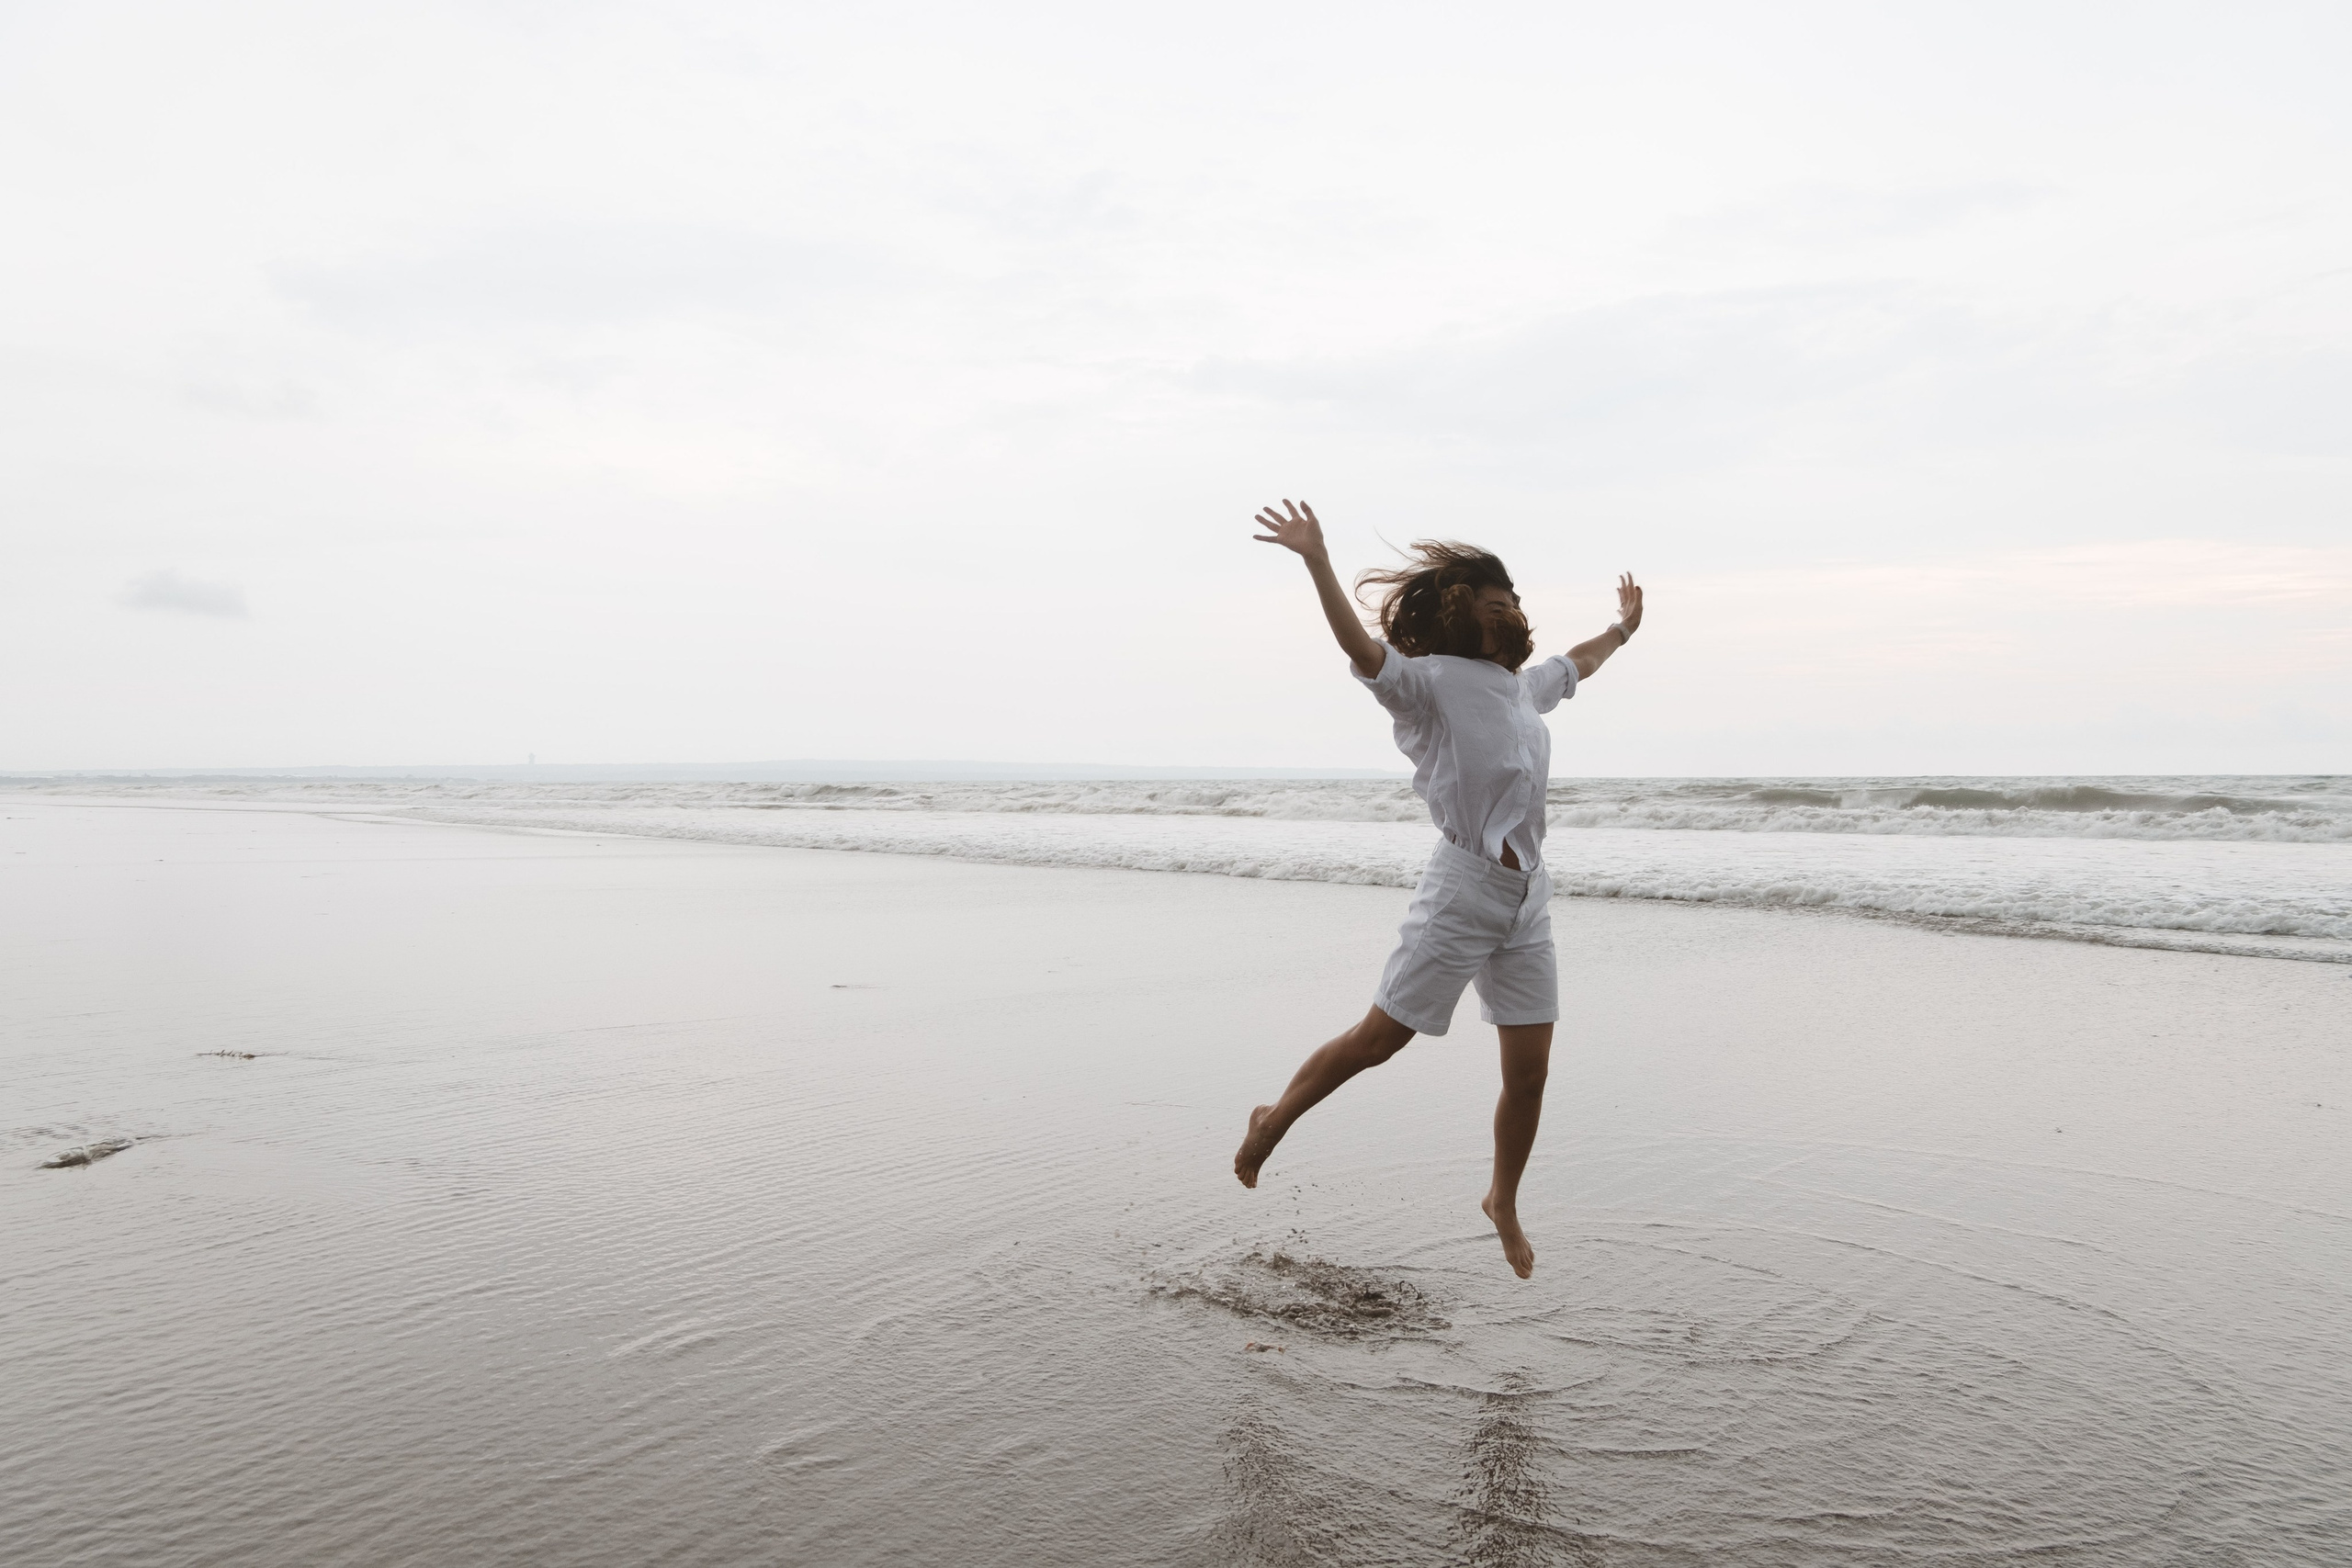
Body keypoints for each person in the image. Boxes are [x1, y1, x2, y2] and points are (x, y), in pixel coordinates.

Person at [1233, 499, 1643, 1279]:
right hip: (1461, 890)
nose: (1513, 614)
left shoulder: (1522, 688)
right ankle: (1273, 1119)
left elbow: (1579, 661)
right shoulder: (1428, 684)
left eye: (1516, 602)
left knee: (1529, 1073)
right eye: (1497, 604)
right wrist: (1317, 559)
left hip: (1529, 899)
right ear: (1462, 612)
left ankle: (1502, 1197)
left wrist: (1622, 628)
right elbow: (1362, 649)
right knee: (1380, 1040)